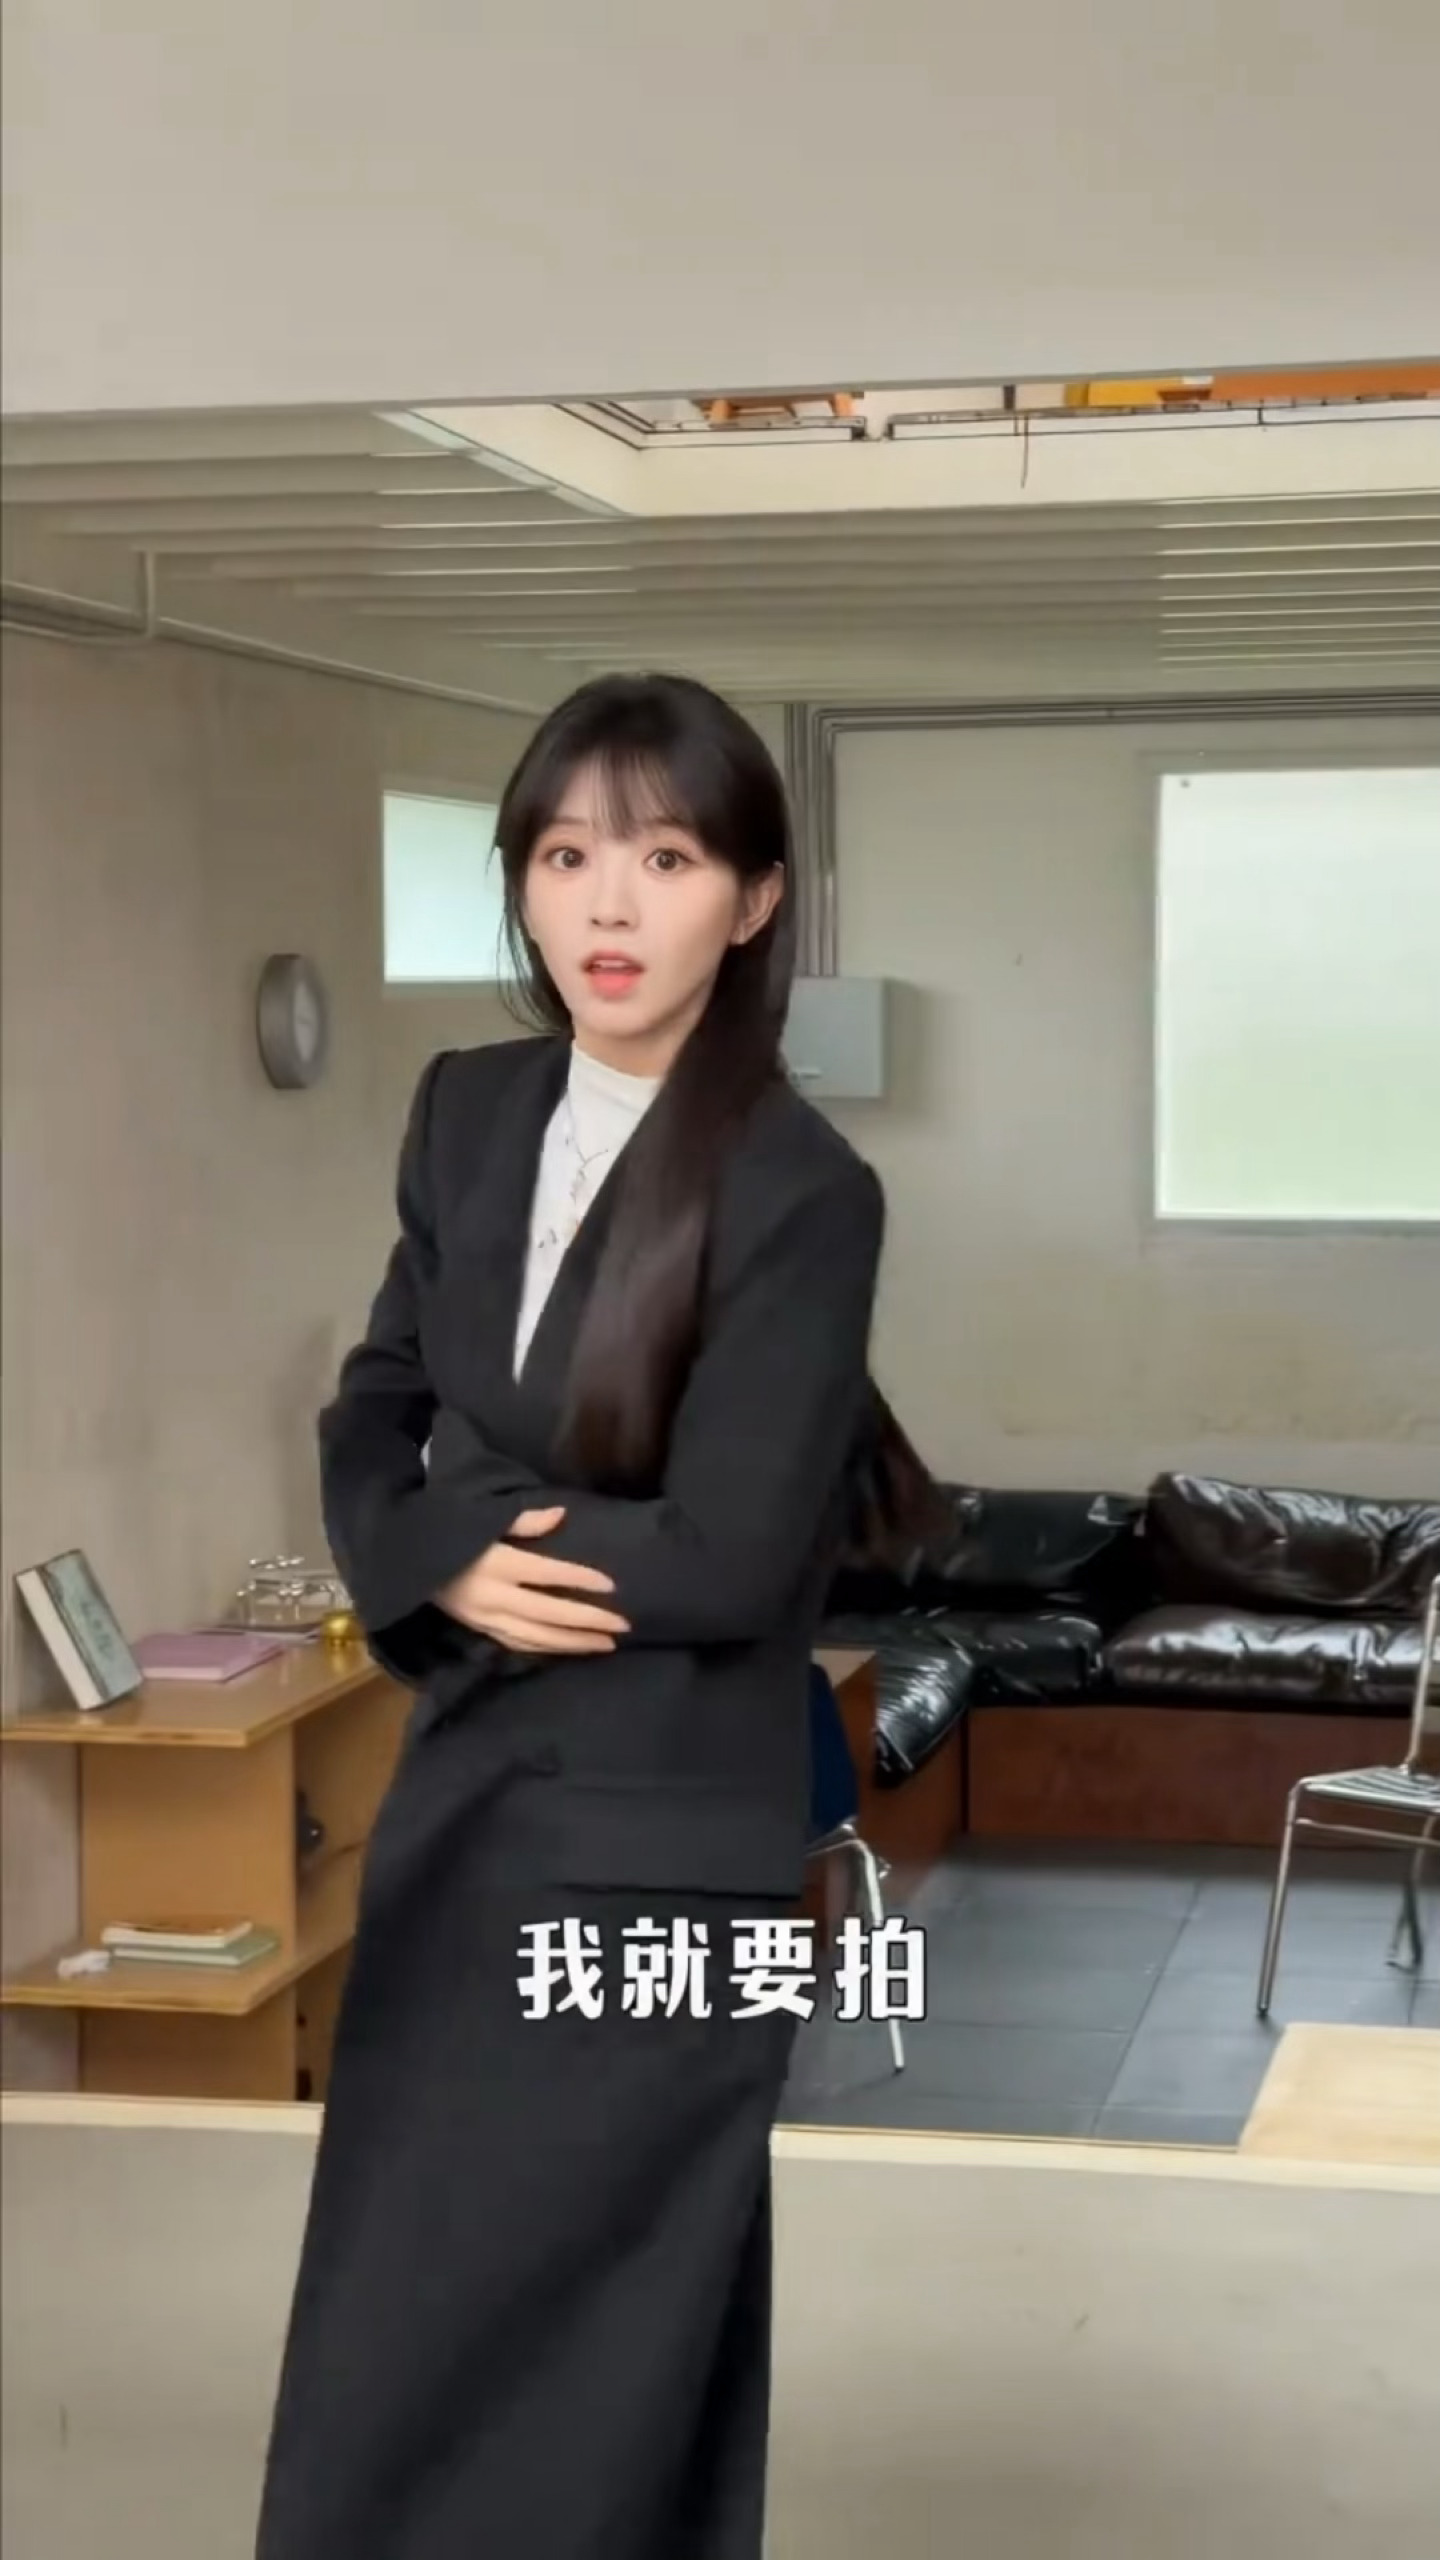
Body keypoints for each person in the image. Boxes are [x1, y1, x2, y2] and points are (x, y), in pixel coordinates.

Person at [254, 672, 896, 2560]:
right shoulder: (468, 1112)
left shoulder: (803, 1188)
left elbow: (741, 1552)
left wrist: (472, 1526)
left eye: (667, 860)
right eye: (564, 856)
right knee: (400, 2307)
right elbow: (371, 1411)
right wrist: (435, 1560)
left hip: (668, 1850)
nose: (608, 906)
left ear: (753, 901)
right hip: (466, 1803)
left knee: (618, 2335)